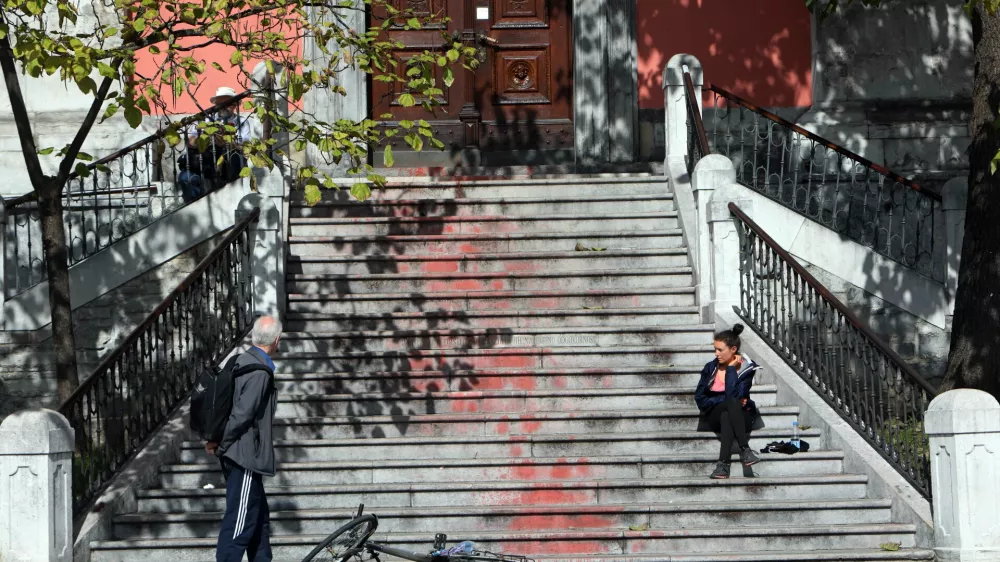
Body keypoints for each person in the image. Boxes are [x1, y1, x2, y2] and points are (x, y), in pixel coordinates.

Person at [206, 315, 281, 562]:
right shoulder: (260, 372)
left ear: (252, 337)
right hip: (244, 456)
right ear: (277, 341)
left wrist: (217, 440)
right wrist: (222, 443)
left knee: (259, 519)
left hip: (240, 454)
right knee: (240, 521)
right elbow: (242, 414)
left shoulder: (239, 361)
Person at [694, 324, 763, 479]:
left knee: (729, 412)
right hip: (714, 415)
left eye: (720, 350)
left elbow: (736, 394)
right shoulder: (710, 368)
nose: (716, 353)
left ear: (733, 349)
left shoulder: (746, 369)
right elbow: (700, 399)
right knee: (729, 405)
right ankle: (745, 449)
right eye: (715, 349)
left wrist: (731, 369)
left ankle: (723, 466)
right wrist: (723, 401)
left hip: (740, 415)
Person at [177, 86, 254, 202]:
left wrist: (227, 142)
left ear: (234, 106)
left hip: (229, 163)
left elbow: (246, 147)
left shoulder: (241, 122)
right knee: (185, 178)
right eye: (220, 103)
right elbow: (191, 142)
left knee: (235, 163)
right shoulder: (205, 120)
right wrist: (208, 138)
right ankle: (194, 205)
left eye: (227, 103)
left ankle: (232, 201)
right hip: (204, 162)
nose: (223, 107)